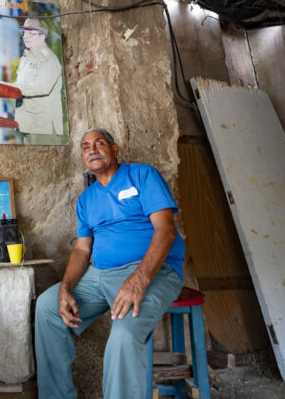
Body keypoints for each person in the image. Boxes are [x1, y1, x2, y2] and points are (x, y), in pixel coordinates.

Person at [35, 128, 185, 399]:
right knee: (47, 307)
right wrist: (65, 288)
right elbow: (82, 249)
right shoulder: (87, 199)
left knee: (124, 334)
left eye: (99, 143)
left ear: (115, 150)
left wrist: (138, 280)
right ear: (83, 157)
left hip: (152, 271)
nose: (92, 149)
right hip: (100, 274)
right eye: (85, 147)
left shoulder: (143, 175)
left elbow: (166, 231)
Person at [7, 17, 64, 144]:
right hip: (28, 124)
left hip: (43, 127)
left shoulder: (48, 59)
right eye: (24, 33)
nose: (25, 37)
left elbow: (43, 87)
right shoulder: (26, 57)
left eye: (31, 33)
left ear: (42, 37)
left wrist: (11, 88)